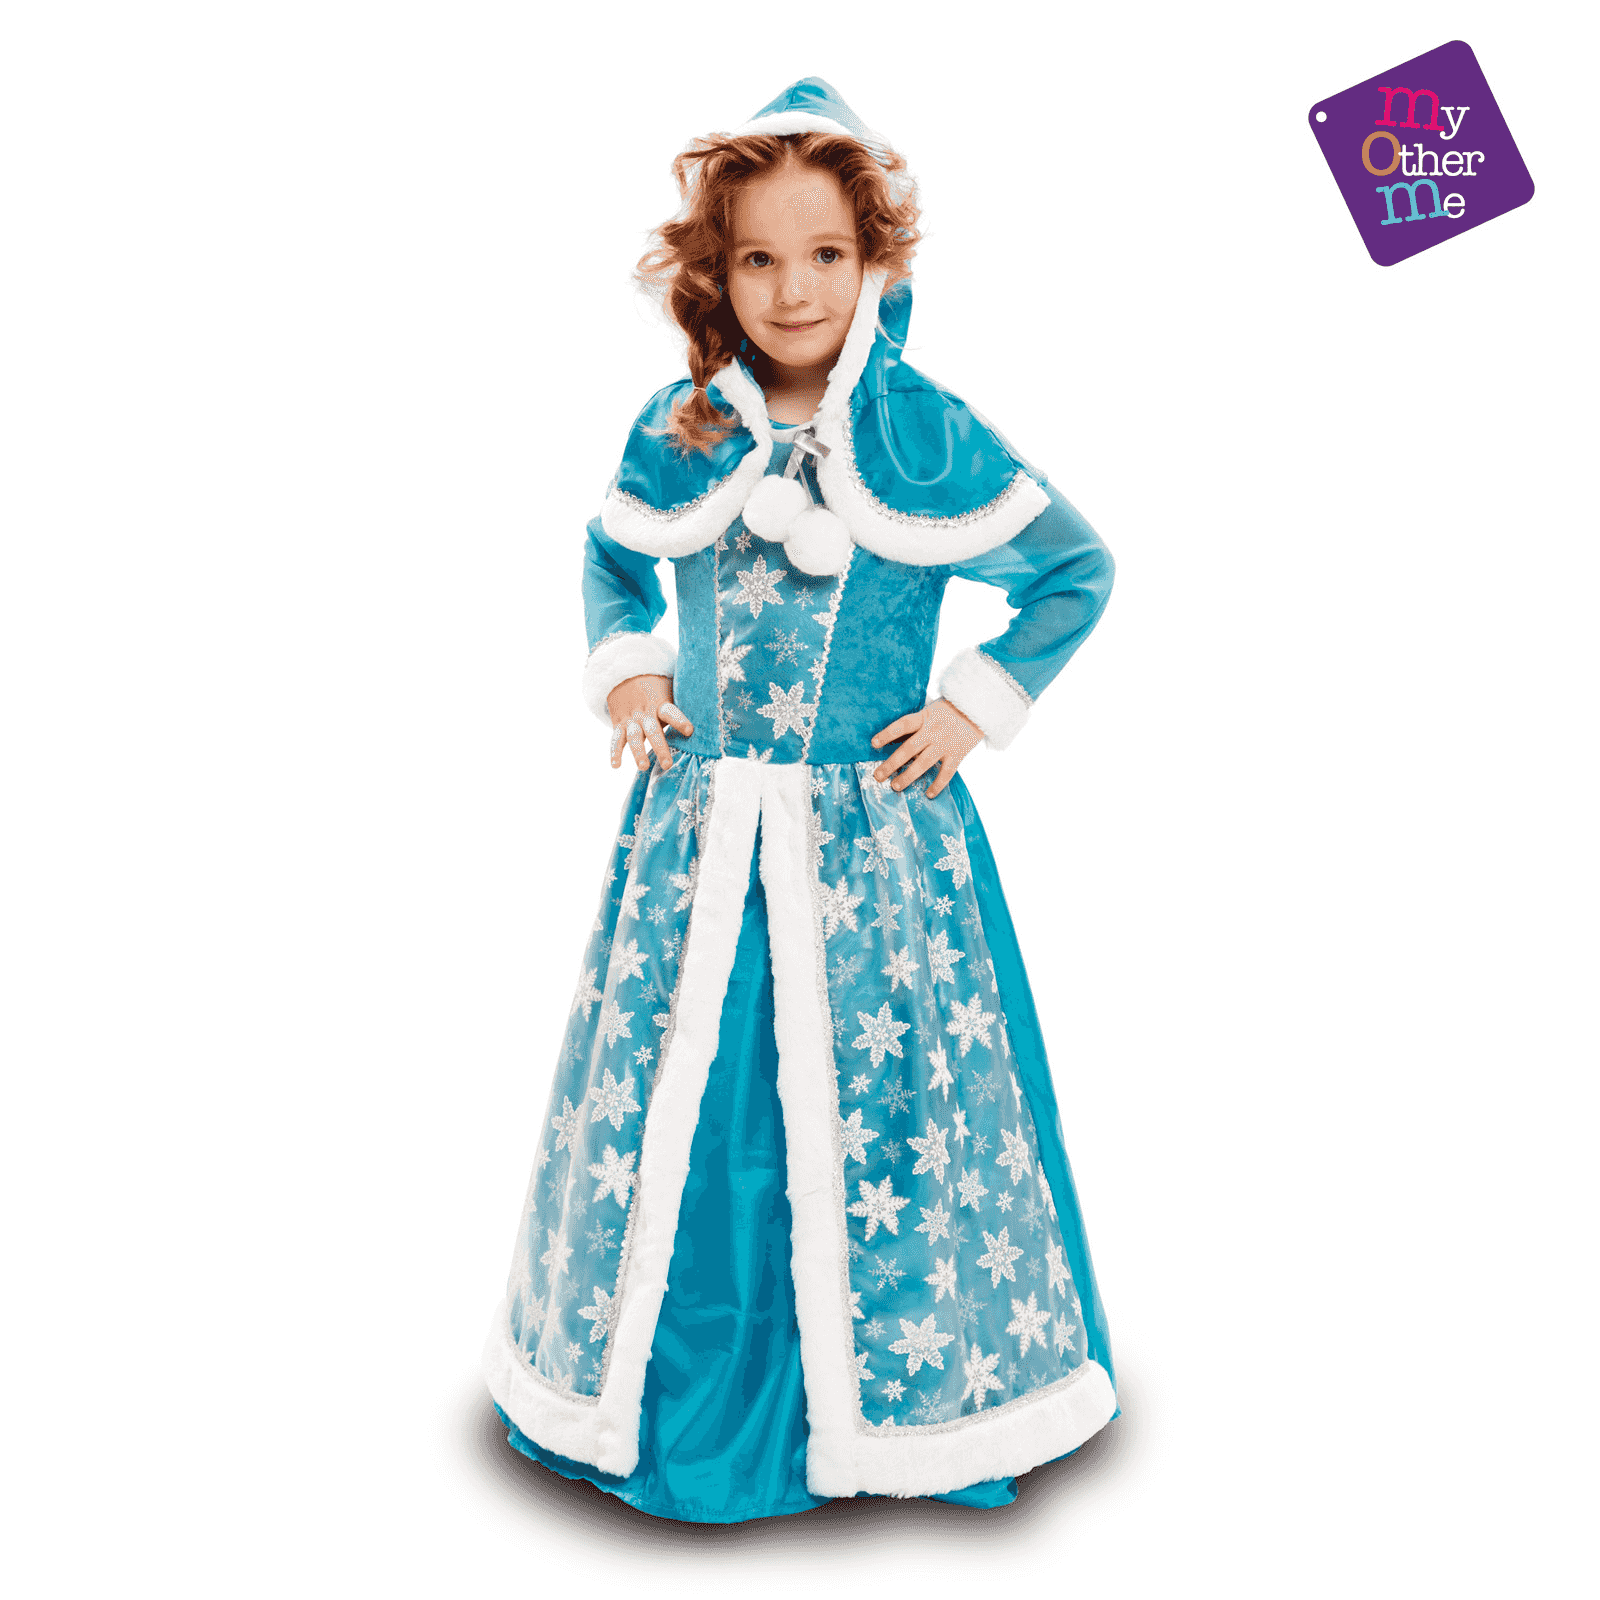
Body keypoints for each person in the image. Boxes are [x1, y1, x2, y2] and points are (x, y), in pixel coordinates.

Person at [483, 77, 1119, 1523]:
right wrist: (631, 676)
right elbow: (611, 558)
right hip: (695, 838)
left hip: (874, 847)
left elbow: (1076, 569)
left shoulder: (923, 433)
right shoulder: (685, 428)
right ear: (713, 272)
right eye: (758, 258)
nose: (792, 289)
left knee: (887, 1101)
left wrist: (975, 704)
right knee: (685, 1092)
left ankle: (920, 1402)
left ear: (874, 259)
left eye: (825, 253)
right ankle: (662, 1387)